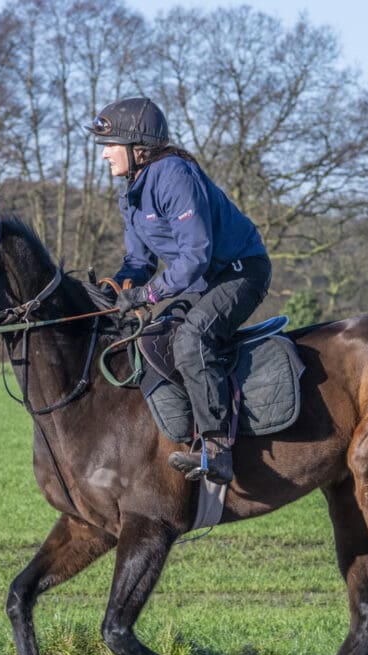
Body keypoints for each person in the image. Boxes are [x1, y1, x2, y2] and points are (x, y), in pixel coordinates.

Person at [86, 97, 271, 485]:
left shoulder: (173, 174)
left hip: (241, 273)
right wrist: (118, 287)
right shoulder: (130, 189)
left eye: (110, 145)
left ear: (139, 148)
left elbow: (196, 255)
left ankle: (217, 448)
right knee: (153, 337)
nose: (104, 155)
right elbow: (139, 261)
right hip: (204, 279)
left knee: (191, 340)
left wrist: (149, 296)